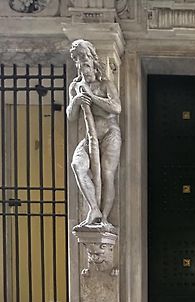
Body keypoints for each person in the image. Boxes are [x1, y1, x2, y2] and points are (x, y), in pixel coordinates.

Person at [66, 39, 121, 232]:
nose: (82, 63)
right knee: (77, 166)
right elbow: (71, 116)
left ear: (92, 58)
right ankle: (94, 209)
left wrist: (92, 96)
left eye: (84, 57)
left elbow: (116, 107)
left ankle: (105, 218)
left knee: (107, 175)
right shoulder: (75, 87)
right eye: (78, 59)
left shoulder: (105, 84)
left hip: (110, 134)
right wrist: (76, 101)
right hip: (90, 137)